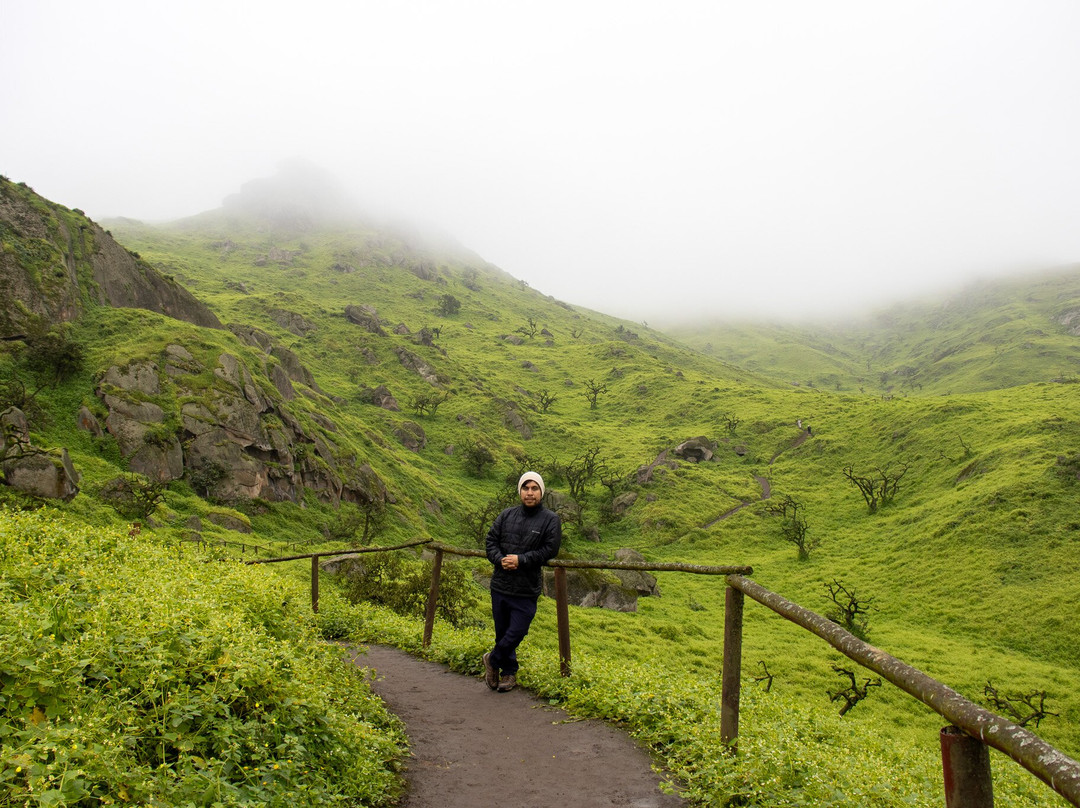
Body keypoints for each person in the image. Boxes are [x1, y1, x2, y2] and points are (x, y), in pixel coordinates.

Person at [483, 471, 562, 692]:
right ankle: (508, 674)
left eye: (534, 488)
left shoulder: (550, 520)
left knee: (517, 630)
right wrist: (500, 560)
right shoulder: (506, 515)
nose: (529, 493)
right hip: (500, 584)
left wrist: (522, 560)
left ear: (541, 492)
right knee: (502, 632)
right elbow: (491, 541)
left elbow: (550, 549)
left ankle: (492, 659)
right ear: (520, 491)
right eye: (526, 488)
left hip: (526, 587)